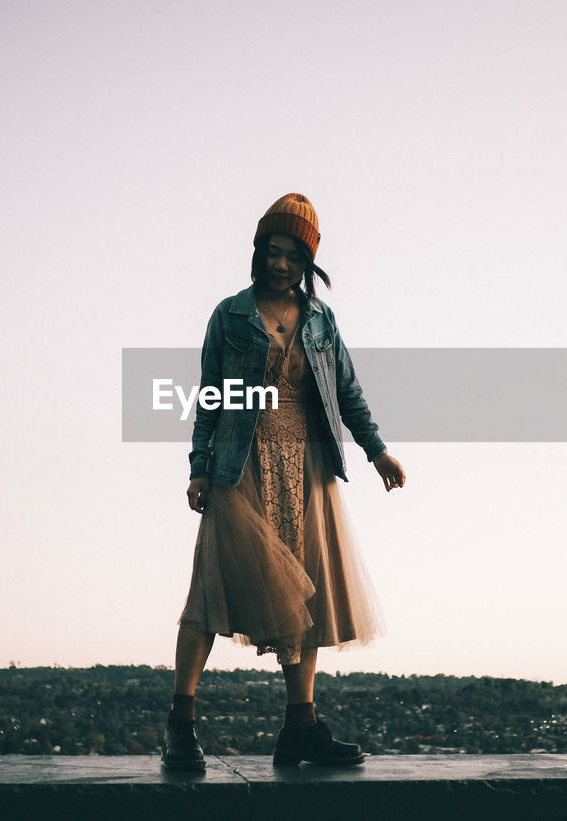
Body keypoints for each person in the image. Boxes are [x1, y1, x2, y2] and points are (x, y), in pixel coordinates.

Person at [162, 193, 406, 771]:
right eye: (272, 253)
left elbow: (347, 392)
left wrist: (378, 452)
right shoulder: (230, 315)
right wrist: (199, 467)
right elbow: (210, 399)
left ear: (307, 262)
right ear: (258, 254)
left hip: (308, 469)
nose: (280, 265)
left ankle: (300, 727)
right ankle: (180, 725)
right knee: (211, 590)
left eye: (292, 256)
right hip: (241, 465)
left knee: (309, 592)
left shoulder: (322, 321)